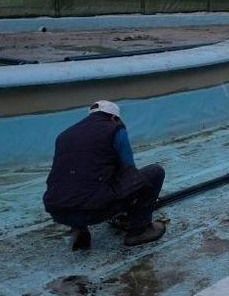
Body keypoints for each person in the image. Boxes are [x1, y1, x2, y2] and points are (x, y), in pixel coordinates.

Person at [43, 100, 166, 250]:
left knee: (75, 181)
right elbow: (129, 172)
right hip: (93, 210)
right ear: (114, 117)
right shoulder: (114, 129)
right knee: (155, 172)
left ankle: (78, 228)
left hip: (58, 211)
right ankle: (139, 231)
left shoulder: (64, 136)